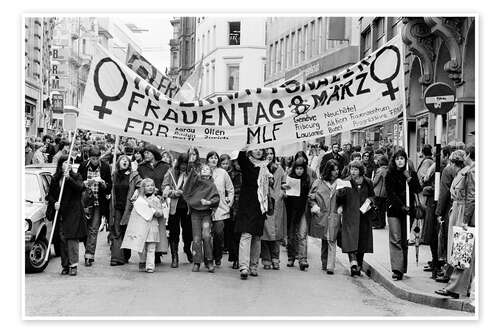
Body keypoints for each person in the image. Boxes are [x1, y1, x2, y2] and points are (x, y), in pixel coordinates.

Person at [435, 145, 475, 298]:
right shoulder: (468, 171)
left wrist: (465, 220)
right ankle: (465, 287)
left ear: (469, 155)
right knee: (467, 253)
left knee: (462, 251)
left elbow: (471, 197)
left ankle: (454, 288)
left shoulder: (470, 171)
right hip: (461, 210)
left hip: (463, 212)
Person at [46, 155, 87, 276]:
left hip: (73, 212)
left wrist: (69, 179)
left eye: (70, 162)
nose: (68, 164)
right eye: (65, 162)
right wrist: (55, 203)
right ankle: (65, 265)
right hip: (61, 212)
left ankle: (73, 265)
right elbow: (50, 195)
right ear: (60, 164)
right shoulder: (55, 178)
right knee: (62, 239)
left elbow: (80, 188)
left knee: (72, 238)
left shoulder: (76, 176)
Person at [385, 149, 422, 280]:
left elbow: (418, 189)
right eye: (397, 158)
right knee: (396, 238)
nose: (400, 161)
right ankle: (396, 269)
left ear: (406, 160)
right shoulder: (390, 174)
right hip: (395, 210)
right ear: (394, 161)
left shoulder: (411, 173)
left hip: (408, 211)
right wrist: (401, 206)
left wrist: (410, 178)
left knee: (405, 239)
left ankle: (402, 267)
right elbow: (390, 193)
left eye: (402, 158)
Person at [235, 149, 271, 279]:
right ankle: (244, 267)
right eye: (256, 149)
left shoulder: (266, 166)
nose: (259, 151)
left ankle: (254, 266)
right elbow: (240, 155)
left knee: (256, 236)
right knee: (246, 234)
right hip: (246, 204)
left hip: (260, 205)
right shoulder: (247, 163)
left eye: (261, 149)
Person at [336, 160, 375, 277]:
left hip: (364, 214)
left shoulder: (368, 182)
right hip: (350, 214)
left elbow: (373, 195)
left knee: (362, 240)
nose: (353, 172)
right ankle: (353, 263)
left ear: (360, 170)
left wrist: (370, 201)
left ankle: (358, 264)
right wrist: (340, 195)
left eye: (355, 169)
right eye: (351, 169)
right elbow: (340, 198)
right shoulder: (346, 181)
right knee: (350, 238)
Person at [77, 146, 112, 267]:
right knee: (85, 230)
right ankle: (88, 250)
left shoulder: (106, 167)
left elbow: (109, 187)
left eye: (97, 158)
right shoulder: (83, 166)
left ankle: (89, 255)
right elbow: (77, 183)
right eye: (93, 158)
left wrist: (103, 184)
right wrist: (86, 183)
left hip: (98, 202)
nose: (95, 161)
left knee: (93, 229)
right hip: (85, 202)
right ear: (89, 158)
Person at [435, 149, 466, 283]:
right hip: (461, 210)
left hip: (453, 209)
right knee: (458, 243)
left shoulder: (449, 171)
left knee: (450, 242)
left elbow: (444, 193)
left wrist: (439, 212)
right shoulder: (466, 171)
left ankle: (449, 273)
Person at [183, 163, 220, 273]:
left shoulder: (212, 185)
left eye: (207, 169)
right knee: (196, 238)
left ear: (210, 172)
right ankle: (197, 262)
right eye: (202, 169)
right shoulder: (195, 182)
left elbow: (216, 198)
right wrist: (192, 164)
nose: (204, 170)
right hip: (195, 214)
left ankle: (209, 261)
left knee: (207, 236)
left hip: (206, 214)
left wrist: (209, 202)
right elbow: (188, 185)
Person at [121, 178, 164, 273]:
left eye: (152, 185)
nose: (150, 188)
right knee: (141, 246)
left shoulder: (156, 199)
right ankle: (142, 261)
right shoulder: (138, 199)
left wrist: (153, 210)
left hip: (152, 226)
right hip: (141, 226)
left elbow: (160, 213)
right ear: (143, 188)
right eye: (148, 186)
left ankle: (150, 266)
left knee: (151, 247)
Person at [137, 144, 170, 263]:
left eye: (147, 152)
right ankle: (148, 254)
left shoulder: (165, 166)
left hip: (161, 199)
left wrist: (163, 193)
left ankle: (158, 252)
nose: (145, 155)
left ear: (154, 153)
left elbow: (168, 182)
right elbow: (138, 182)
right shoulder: (141, 167)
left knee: (160, 228)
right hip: (146, 200)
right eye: (144, 153)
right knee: (147, 226)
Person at [308, 159, 342, 275]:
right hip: (322, 214)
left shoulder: (340, 183)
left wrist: (341, 207)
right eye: (333, 170)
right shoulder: (319, 182)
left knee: (332, 239)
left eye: (337, 169)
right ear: (328, 171)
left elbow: (345, 197)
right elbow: (311, 197)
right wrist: (315, 207)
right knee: (325, 238)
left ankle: (330, 266)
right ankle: (324, 262)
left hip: (334, 214)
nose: (336, 172)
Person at [108, 155, 142, 266]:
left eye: (127, 160)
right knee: (117, 232)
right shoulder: (114, 175)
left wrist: (137, 192)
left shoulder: (134, 175)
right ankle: (116, 258)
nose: (125, 162)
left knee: (127, 232)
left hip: (129, 208)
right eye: (123, 160)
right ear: (118, 162)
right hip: (117, 207)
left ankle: (126, 255)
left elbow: (141, 185)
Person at [162, 153, 194, 267]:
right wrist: (173, 193)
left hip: (188, 208)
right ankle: (174, 257)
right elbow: (164, 188)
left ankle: (187, 248)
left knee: (188, 232)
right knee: (174, 232)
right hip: (174, 207)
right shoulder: (170, 173)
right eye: (182, 164)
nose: (183, 166)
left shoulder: (192, 174)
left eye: (186, 164)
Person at [206, 151, 234, 267]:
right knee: (206, 235)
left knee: (218, 233)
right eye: (211, 158)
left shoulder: (222, 173)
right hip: (205, 208)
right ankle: (208, 257)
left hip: (220, 208)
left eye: (215, 158)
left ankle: (217, 255)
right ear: (207, 159)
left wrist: (229, 203)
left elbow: (230, 189)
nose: (214, 160)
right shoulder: (203, 171)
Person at [261, 148, 287, 270]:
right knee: (264, 233)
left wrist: (282, 192)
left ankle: (275, 259)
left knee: (276, 233)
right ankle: (266, 259)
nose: (269, 156)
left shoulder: (279, 169)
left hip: (277, 204)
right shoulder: (260, 167)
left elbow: (284, 183)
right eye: (267, 154)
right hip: (264, 202)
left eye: (271, 153)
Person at [283, 156, 311, 271]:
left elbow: (310, 194)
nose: (299, 171)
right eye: (297, 168)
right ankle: (291, 257)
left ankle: (303, 259)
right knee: (291, 235)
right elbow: (285, 197)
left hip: (302, 210)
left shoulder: (307, 180)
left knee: (302, 235)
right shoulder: (290, 179)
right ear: (294, 169)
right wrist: (285, 191)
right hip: (291, 211)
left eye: (301, 169)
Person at [223, 155, 242, 269]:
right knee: (232, 232)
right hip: (231, 205)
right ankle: (235, 258)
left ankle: (240, 258)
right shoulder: (230, 174)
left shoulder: (246, 173)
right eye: (236, 162)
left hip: (244, 205)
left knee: (241, 233)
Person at [372, 155, 389, 229]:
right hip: (385, 192)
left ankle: (378, 223)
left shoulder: (380, 170)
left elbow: (375, 181)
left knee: (377, 208)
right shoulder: (388, 169)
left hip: (378, 191)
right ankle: (382, 223)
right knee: (382, 209)